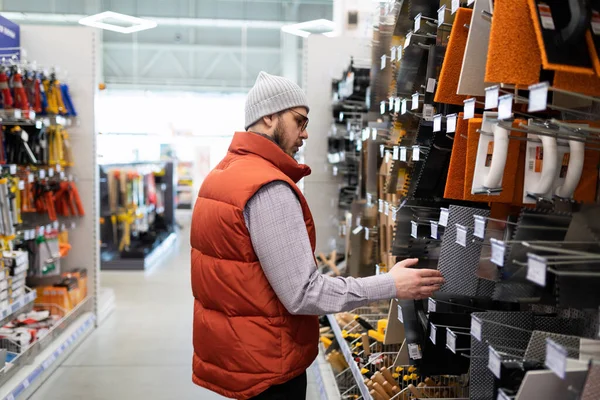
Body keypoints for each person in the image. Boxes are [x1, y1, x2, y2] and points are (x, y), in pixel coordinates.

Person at [190, 71, 445, 400]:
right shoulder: (268, 188)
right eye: (300, 121)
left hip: (240, 354)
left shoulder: (221, 176)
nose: (305, 133)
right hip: (268, 368)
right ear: (268, 118)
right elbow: (303, 294)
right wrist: (391, 284)